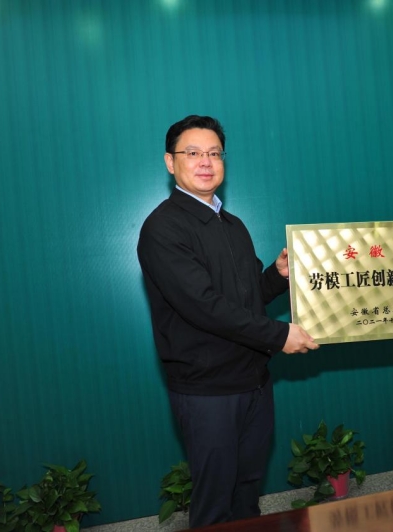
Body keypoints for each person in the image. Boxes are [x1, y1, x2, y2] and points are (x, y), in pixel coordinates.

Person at [137, 115, 319, 527]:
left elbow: (248, 296)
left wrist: (278, 275)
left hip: (254, 383)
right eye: (193, 153)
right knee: (215, 504)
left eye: (215, 153)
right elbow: (204, 307)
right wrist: (280, 336)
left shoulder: (232, 224)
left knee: (247, 493)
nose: (206, 161)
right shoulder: (163, 228)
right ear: (170, 162)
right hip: (208, 392)